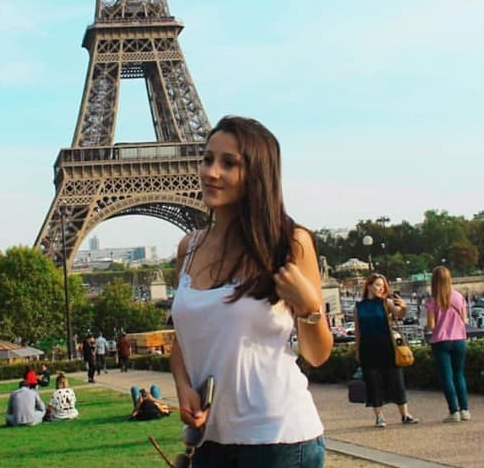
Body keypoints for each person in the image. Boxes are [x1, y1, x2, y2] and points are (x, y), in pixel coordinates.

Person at [170, 115, 332, 468]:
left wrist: (309, 308)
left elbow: (318, 354)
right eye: (207, 158)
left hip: (280, 439)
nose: (211, 172)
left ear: (257, 175)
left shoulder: (289, 244)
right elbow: (182, 340)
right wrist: (182, 386)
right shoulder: (188, 248)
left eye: (229, 163)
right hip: (212, 442)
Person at [354, 273, 419, 427]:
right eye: (377, 285)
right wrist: (357, 350)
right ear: (369, 286)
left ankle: (405, 414)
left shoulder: (385, 302)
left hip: (386, 344)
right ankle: (379, 417)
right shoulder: (359, 306)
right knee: (373, 381)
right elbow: (357, 331)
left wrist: (403, 306)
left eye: (382, 286)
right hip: (368, 346)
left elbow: (398, 314)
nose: (380, 288)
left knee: (396, 379)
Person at [424, 266, 470, 423]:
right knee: (459, 375)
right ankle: (465, 410)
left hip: (441, 341)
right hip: (459, 339)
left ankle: (454, 411)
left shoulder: (432, 301)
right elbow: (463, 320)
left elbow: (431, 325)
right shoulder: (458, 297)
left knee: (447, 378)